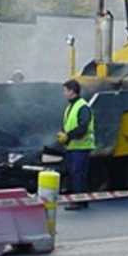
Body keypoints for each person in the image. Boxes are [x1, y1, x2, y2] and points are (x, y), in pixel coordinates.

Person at [56, 79, 94, 210]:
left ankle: (78, 201)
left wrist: (68, 136)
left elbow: (83, 127)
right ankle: (80, 200)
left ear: (72, 91)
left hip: (81, 147)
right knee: (75, 174)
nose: (64, 93)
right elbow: (68, 125)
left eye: (65, 91)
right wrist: (63, 135)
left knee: (78, 174)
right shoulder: (70, 107)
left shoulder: (82, 106)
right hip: (72, 147)